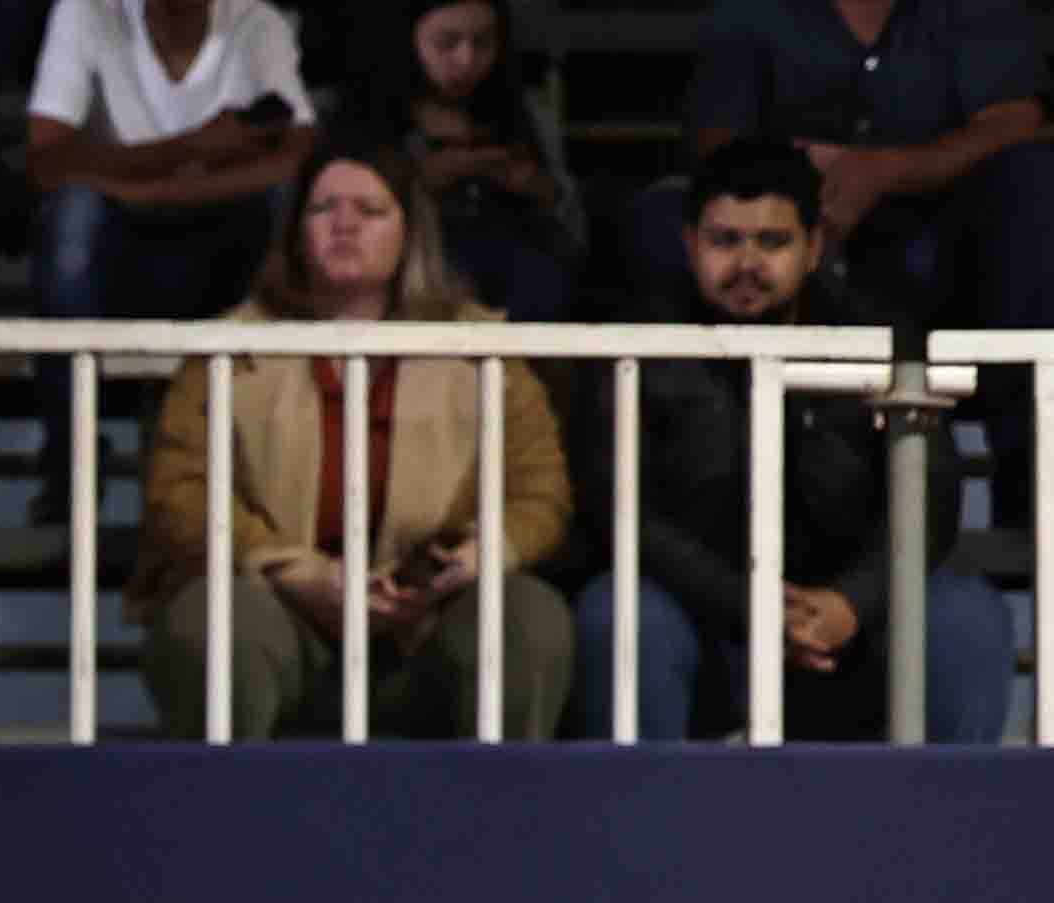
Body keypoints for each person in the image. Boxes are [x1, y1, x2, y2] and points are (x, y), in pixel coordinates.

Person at [582, 137, 1022, 741]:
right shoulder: (640, 348)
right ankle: (644, 802)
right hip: (703, 617)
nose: (747, 264)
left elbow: (931, 495)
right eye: (724, 241)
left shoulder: (877, 339)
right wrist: (749, 605)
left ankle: (945, 803)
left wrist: (851, 602)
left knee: (966, 618)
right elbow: (621, 512)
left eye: (772, 242)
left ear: (814, 247)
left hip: (850, 624)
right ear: (689, 244)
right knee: (621, 613)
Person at [138, 141, 576, 738]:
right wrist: (293, 571)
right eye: (324, 209)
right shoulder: (229, 348)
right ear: (296, 233)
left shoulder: (480, 348)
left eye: (370, 210)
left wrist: (474, 558)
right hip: (280, 622)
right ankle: (229, 798)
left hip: (428, 630)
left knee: (527, 615)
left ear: (410, 233)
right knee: (213, 618)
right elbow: (181, 493)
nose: (345, 224)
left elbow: (539, 491)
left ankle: (502, 798)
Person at [649, 0, 1054, 527]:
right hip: (783, 241)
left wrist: (886, 170)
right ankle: (679, 479)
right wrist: (792, 184)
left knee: (1035, 191)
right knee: (665, 218)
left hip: (947, 254)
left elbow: (1016, 122)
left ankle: (1033, 505)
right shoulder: (753, 12)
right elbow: (716, 136)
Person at [24, 0, 318, 318]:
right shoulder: (87, 11)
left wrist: (139, 190)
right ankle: (68, 351)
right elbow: (46, 163)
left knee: (281, 199)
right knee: (76, 208)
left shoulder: (257, 22)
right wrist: (192, 146)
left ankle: (263, 344)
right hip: (118, 232)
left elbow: (291, 163)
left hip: (218, 232)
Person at [381, 0, 579, 317]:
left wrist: (538, 187)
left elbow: (574, 228)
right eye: (446, 43)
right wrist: (418, 179)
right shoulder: (371, 115)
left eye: (483, 43)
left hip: (520, 285)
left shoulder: (524, 112)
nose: (466, 59)